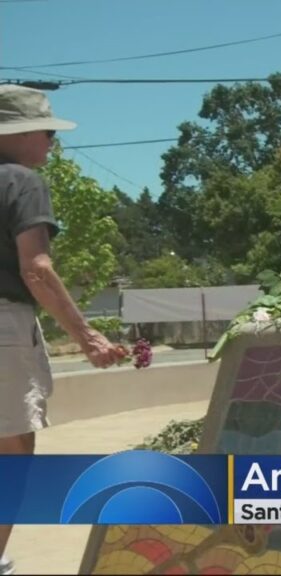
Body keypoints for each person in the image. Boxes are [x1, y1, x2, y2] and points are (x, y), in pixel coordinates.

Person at [0, 85, 127, 574]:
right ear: (21, 133)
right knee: (12, 447)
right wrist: (88, 337)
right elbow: (36, 268)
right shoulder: (21, 181)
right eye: (49, 132)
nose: (53, 142)